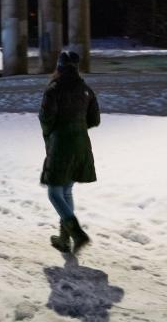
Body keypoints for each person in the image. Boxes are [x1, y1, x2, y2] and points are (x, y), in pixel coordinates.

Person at [39, 50, 100, 255]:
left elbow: (46, 119)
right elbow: (95, 120)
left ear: (59, 66)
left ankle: (77, 234)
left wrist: (52, 136)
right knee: (66, 191)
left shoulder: (53, 89)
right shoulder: (86, 89)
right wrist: (78, 127)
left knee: (54, 192)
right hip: (81, 145)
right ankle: (64, 241)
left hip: (61, 145)